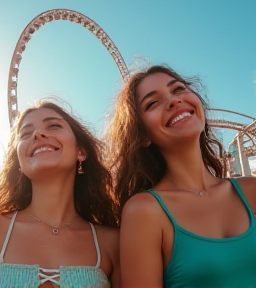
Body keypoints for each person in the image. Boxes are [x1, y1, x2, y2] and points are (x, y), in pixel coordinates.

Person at [104, 65, 256, 288]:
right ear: (143, 135)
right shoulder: (145, 211)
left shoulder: (251, 190)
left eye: (178, 89)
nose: (174, 101)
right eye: (152, 103)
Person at [0, 98, 120, 288]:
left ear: (81, 151)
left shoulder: (110, 242)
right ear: (19, 161)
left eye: (54, 126)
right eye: (25, 133)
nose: (38, 134)